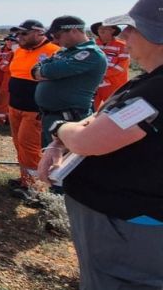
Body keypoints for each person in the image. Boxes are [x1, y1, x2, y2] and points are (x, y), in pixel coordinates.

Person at [38, 0, 163, 290]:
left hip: (130, 224)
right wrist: (62, 142)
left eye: (132, 30)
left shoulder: (158, 91)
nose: (123, 38)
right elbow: (103, 121)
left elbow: (93, 138)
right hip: (127, 220)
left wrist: (60, 128)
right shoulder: (149, 85)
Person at [33, 16, 107, 150]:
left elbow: (53, 70)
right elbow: (35, 69)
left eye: (57, 35)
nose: (56, 40)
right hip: (51, 117)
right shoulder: (65, 52)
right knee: (49, 158)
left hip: (70, 118)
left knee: (66, 161)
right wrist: (45, 72)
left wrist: (45, 72)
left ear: (73, 31)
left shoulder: (91, 54)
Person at [7, 19, 60, 192]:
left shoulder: (54, 51)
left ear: (39, 33)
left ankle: (35, 188)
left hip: (34, 110)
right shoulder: (20, 51)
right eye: (18, 33)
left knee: (29, 146)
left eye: (24, 33)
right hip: (15, 106)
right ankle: (26, 179)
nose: (19, 37)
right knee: (19, 144)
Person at [93, 22, 131, 109]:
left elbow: (121, 67)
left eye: (105, 28)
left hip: (114, 86)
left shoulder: (122, 46)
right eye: (99, 28)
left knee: (113, 111)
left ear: (113, 30)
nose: (101, 30)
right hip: (94, 85)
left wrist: (101, 75)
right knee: (92, 111)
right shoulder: (92, 45)